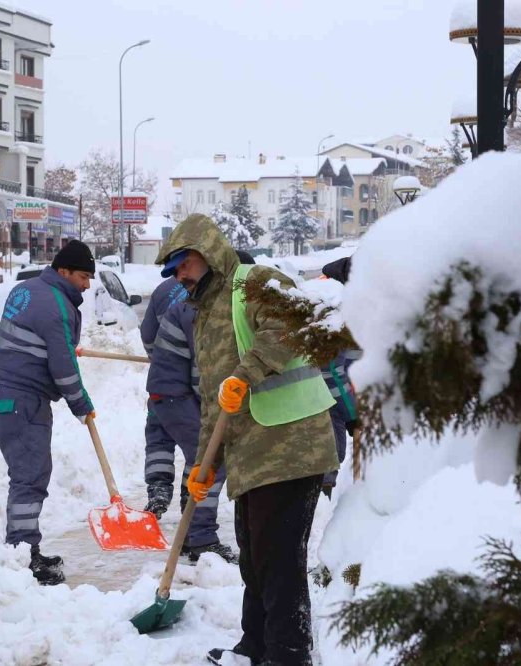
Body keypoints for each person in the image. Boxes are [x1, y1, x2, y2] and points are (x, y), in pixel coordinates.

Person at [157, 215, 338, 666]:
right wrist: (204, 466)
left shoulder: (255, 281)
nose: (179, 274)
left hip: (293, 446)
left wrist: (246, 373)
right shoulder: (203, 318)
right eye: (172, 269)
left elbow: (293, 325)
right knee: (254, 561)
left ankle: (288, 656)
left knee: (279, 565)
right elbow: (216, 405)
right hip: (253, 456)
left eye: (183, 262)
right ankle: (254, 649)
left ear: (209, 252)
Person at [0, 241, 96, 586]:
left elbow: (38, 341)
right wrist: (81, 404)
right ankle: (22, 554)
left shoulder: (27, 289)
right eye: (82, 276)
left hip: (3, 396)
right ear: (64, 271)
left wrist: (57, 344)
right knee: (30, 476)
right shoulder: (55, 305)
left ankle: (24, 548)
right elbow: (63, 367)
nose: (87, 285)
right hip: (23, 400)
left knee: (28, 473)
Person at [139, 250, 256, 564]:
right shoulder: (213, 305)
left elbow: (149, 334)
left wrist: (164, 359)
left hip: (166, 390)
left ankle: (180, 516)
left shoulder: (170, 293)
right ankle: (200, 539)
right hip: (177, 393)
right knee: (211, 460)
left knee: (184, 451)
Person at [319, 256, 361, 498]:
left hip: (349, 399)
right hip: (334, 405)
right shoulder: (337, 312)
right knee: (331, 460)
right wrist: (352, 415)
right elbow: (332, 372)